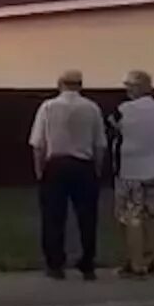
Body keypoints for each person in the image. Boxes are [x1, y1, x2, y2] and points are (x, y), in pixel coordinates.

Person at [30, 70, 107, 281]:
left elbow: (38, 144)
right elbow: (100, 144)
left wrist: (39, 170)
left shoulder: (48, 107)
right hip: (84, 165)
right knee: (87, 217)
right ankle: (87, 263)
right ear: (80, 85)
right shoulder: (92, 108)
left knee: (53, 216)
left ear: (60, 84)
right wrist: (97, 169)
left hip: (56, 165)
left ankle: (55, 264)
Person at [112, 70, 154, 277]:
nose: (127, 89)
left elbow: (115, 127)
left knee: (132, 217)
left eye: (130, 86)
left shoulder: (125, 109)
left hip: (131, 170)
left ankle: (137, 264)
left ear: (139, 88)